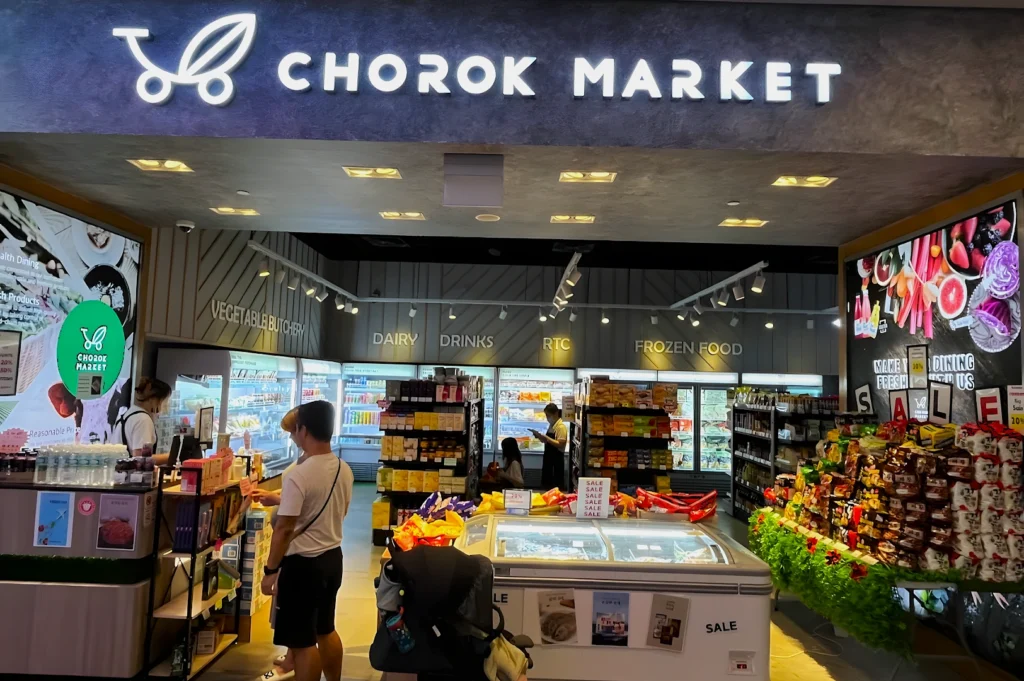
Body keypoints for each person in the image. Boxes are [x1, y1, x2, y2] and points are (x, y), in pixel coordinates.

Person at [260, 401, 354, 681]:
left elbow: (284, 528)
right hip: (332, 558)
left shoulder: (298, 474)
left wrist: (270, 571)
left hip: (303, 566)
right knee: (326, 629)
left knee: (302, 643)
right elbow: (342, 512)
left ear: (304, 430)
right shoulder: (343, 468)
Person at [111, 377, 171, 456]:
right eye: (165, 401)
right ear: (154, 399)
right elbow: (140, 457)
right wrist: (168, 457)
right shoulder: (143, 420)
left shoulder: (130, 414)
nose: (167, 405)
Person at [530, 403, 567, 491]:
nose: (547, 418)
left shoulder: (561, 427)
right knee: (547, 482)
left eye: (548, 415)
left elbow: (561, 444)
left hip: (556, 459)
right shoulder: (552, 425)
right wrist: (539, 437)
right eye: (546, 415)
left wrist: (547, 437)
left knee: (555, 485)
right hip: (549, 458)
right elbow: (547, 442)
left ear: (556, 414)